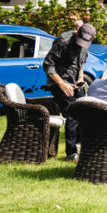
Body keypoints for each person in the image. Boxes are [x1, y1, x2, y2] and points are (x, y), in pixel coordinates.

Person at [43, 20, 96, 158]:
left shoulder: (85, 41)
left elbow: (82, 60)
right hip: (59, 82)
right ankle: (71, 152)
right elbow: (48, 64)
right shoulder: (64, 41)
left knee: (84, 111)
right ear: (77, 32)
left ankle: (81, 146)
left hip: (75, 82)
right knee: (72, 113)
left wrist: (80, 76)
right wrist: (62, 84)